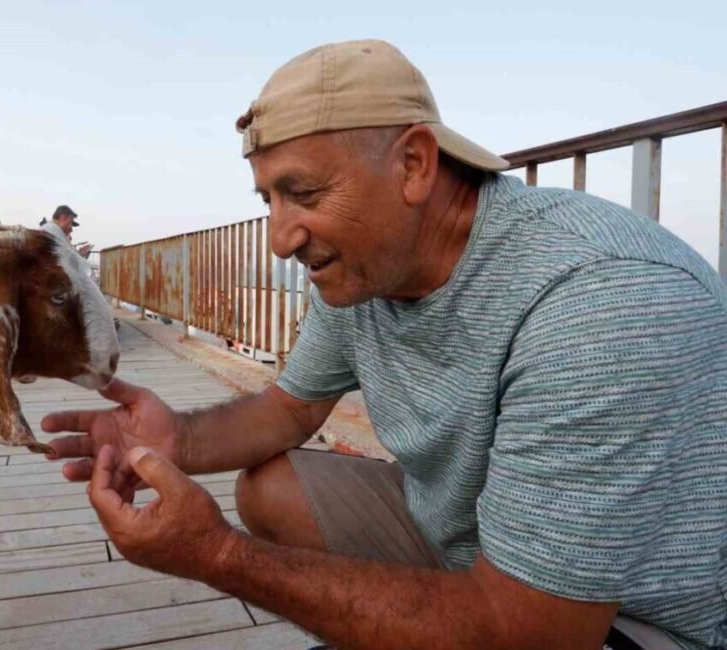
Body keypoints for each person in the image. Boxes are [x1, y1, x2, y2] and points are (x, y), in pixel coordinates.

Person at [41, 39, 727, 650]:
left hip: (625, 617)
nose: (281, 236)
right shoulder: (367, 269)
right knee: (272, 488)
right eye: (268, 201)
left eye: (301, 192)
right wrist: (175, 438)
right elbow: (288, 410)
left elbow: (535, 634)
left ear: (415, 165)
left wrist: (218, 555)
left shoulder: (596, 300)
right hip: (475, 543)